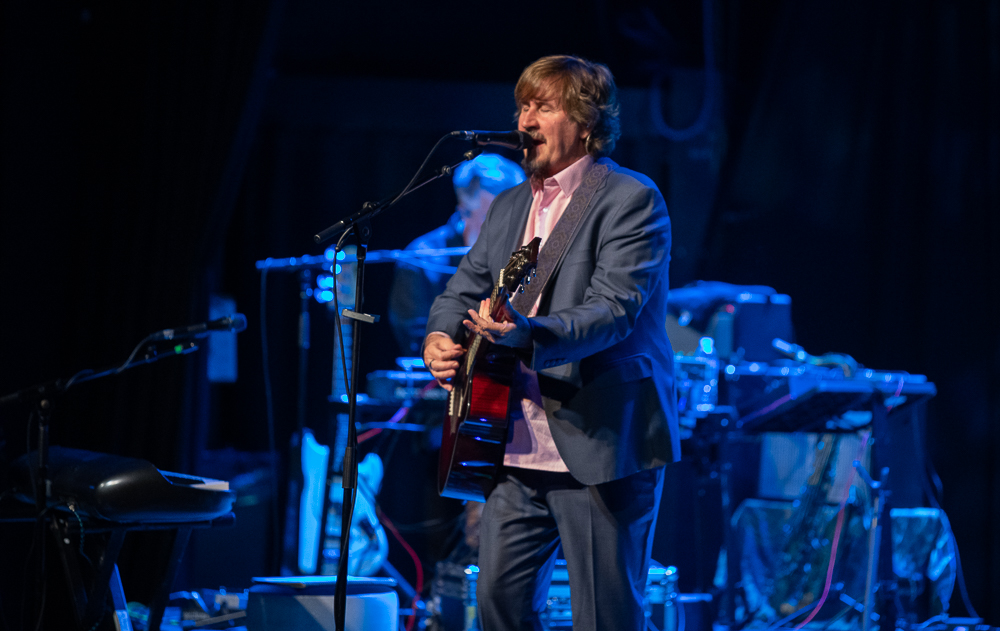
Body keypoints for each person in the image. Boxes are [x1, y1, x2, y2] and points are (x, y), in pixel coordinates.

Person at [422, 55, 680, 631]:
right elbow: (461, 289)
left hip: (599, 440)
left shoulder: (630, 199)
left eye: (542, 106)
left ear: (586, 122)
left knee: (605, 620)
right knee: (499, 607)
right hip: (512, 446)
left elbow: (614, 310)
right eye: (522, 106)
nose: (525, 120)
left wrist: (527, 333)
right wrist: (438, 335)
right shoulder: (510, 205)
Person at [387, 153, 525, 356]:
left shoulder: (521, 254)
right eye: (495, 217)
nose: (508, 228)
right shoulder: (421, 259)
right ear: (464, 210)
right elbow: (417, 341)